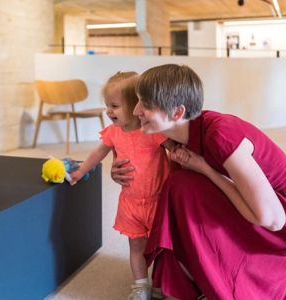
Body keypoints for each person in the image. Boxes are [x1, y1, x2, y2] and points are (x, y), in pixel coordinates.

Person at [111, 63, 286, 299]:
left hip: (276, 220)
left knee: (184, 186)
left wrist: (205, 169)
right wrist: (119, 173)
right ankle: (200, 275)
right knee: (179, 186)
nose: (136, 111)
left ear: (177, 113)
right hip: (259, 209)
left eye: (146, 105)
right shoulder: (179, 136)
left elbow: (272, 219)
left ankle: (236, 273)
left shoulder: (220, 134)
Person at [70, 71, 171, 300]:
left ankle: (161, 282)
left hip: (157, 200)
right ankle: (140, 284)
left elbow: (174, 150)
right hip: (131, 202)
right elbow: (99, 152)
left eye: (114, 105)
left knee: (162, 247)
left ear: (136, 105)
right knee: (136, 245)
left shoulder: (152, 131)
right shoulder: (113, 133)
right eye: (107, 105)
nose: (109, 111)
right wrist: (81, 170)